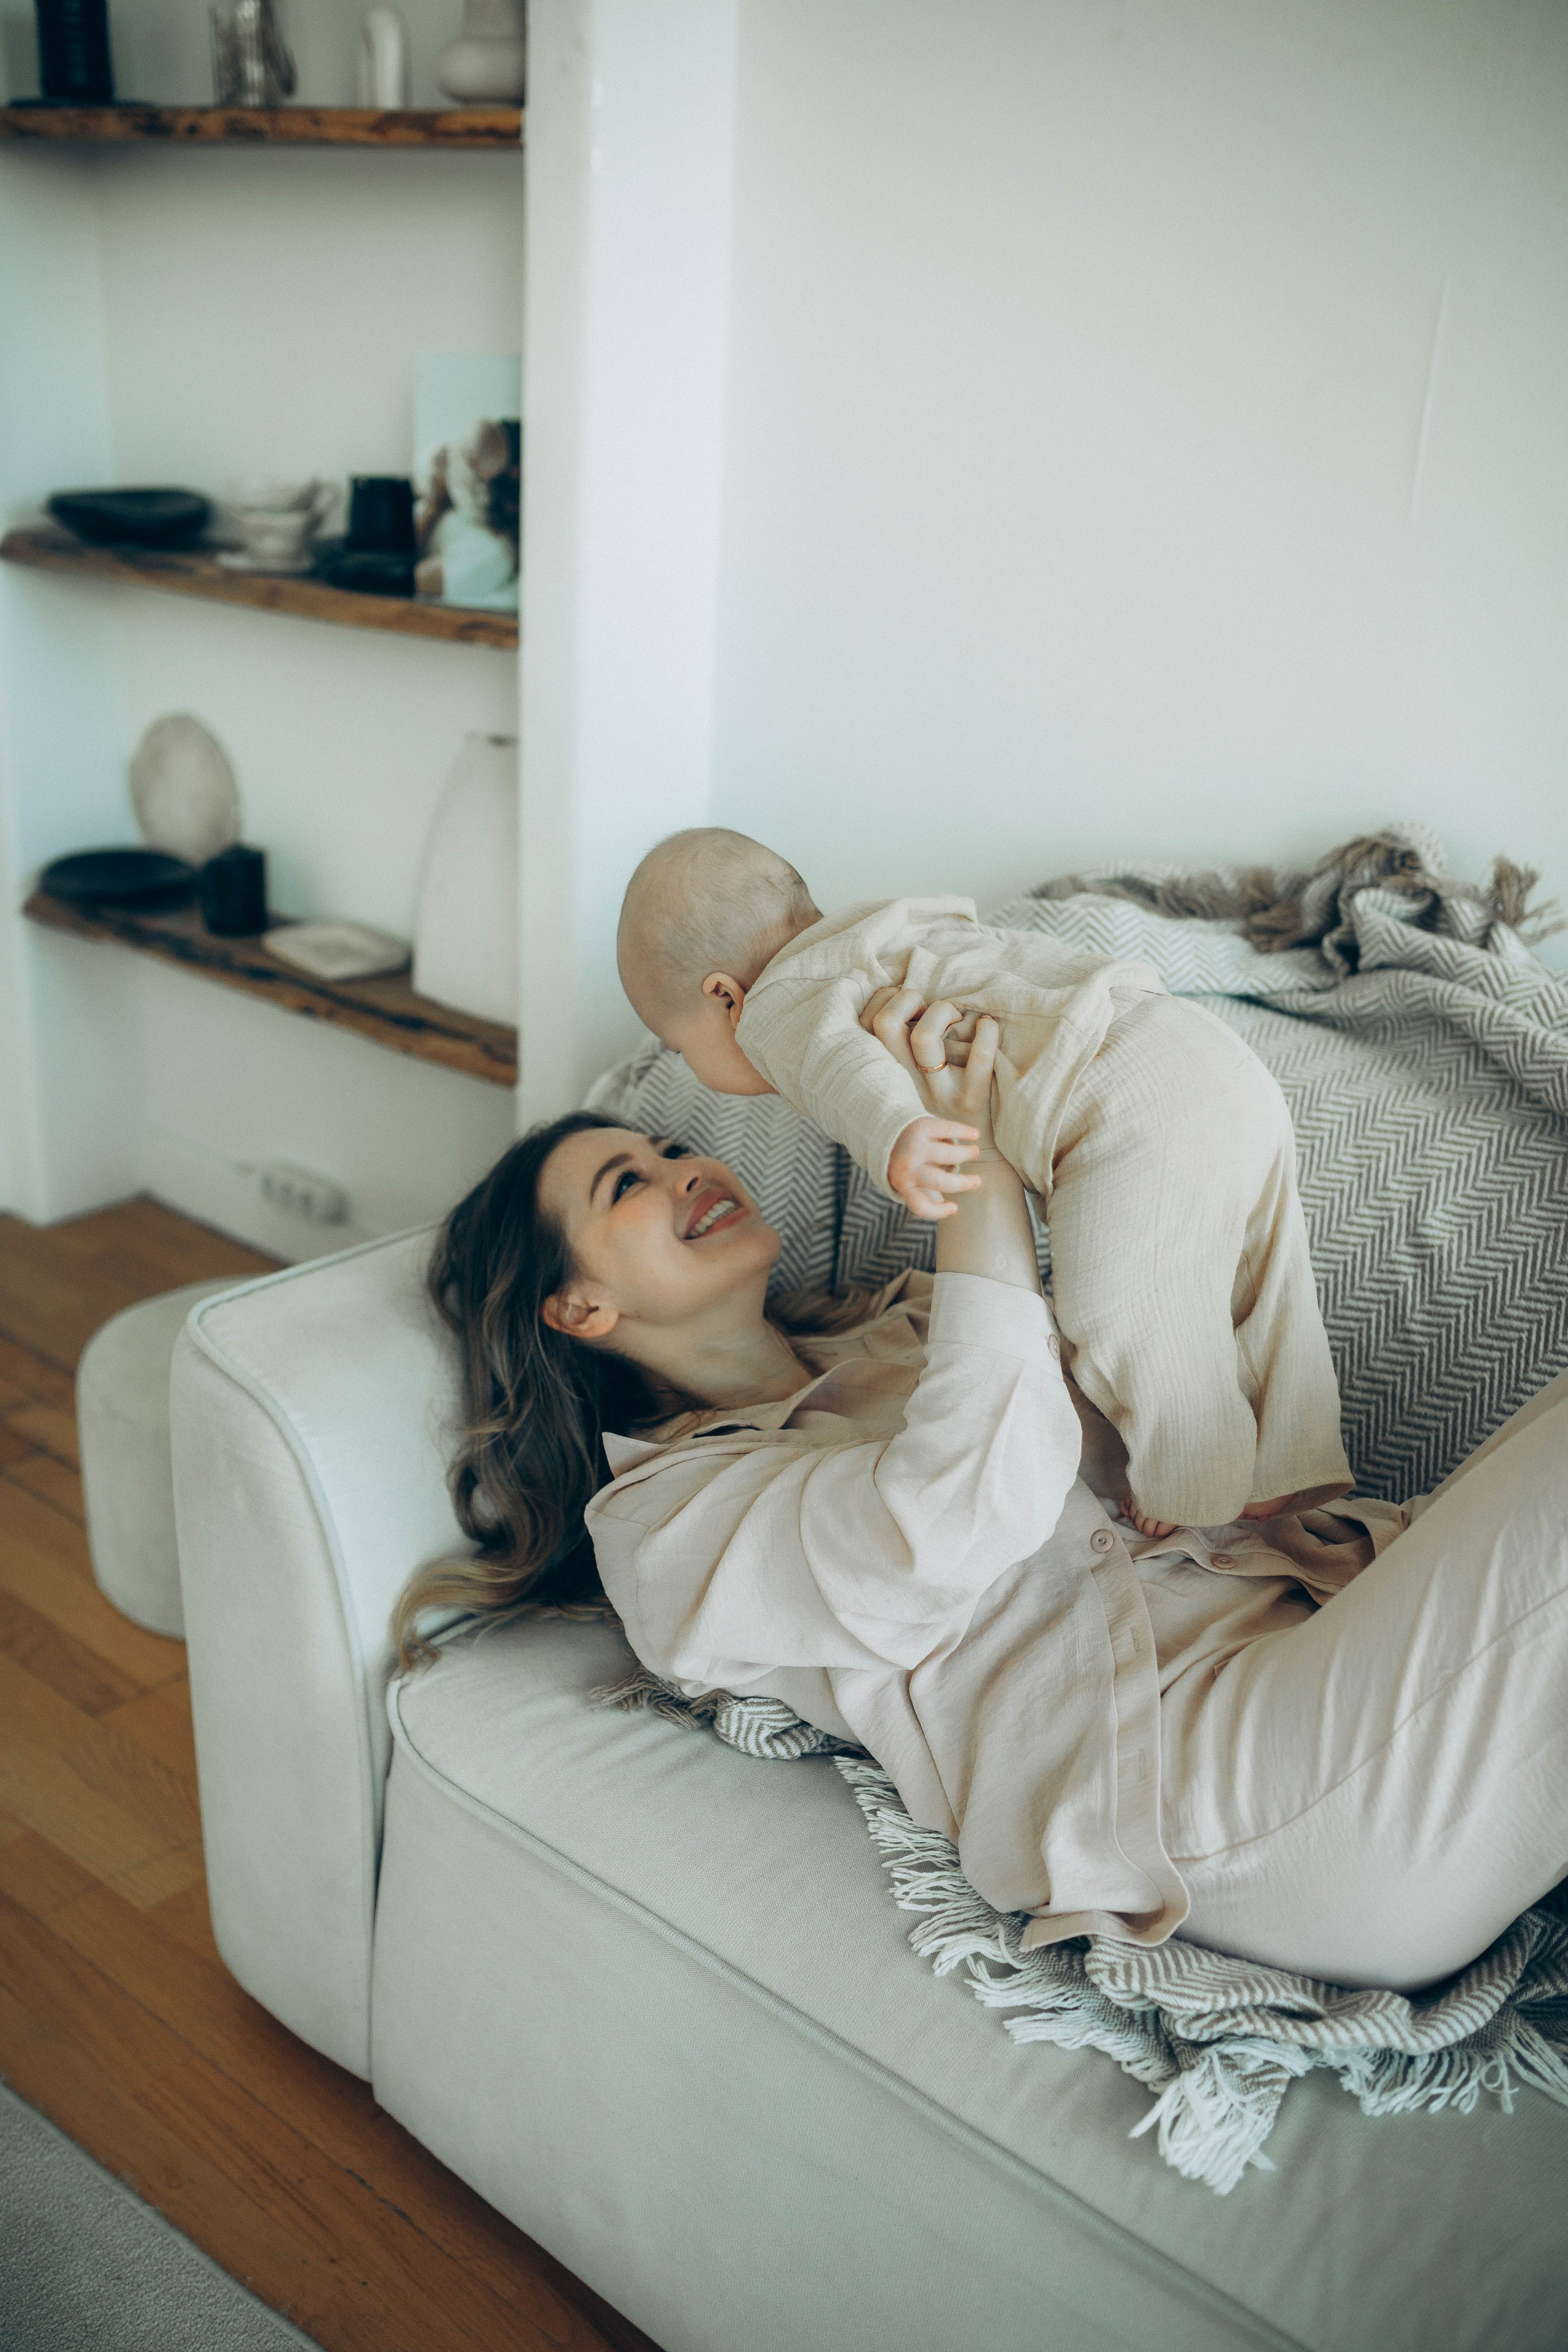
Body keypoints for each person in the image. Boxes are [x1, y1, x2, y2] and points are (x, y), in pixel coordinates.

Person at [397, 994, 1568, 1994]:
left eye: (668, 1150)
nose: (683, 1170)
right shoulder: (664, 1525)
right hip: (1219, 1792)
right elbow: (956, 1516)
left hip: (1329, 1631)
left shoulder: (905, 1326)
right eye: (625, 1184)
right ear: (582, 1309)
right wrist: (976, 1182)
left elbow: (1155, 1431)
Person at [614, 827, 1350, 1536]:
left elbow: (843, 1070)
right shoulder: (890, 931)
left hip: (1116, 1100)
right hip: (1200, 1050)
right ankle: (1291, 1455)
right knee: (1264, 1271)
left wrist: (897, 1132)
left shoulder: (778, 1004)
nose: (693, 1067)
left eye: (681, 1048)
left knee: (1119, 1309)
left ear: (723, 997)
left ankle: (1191, 1482)